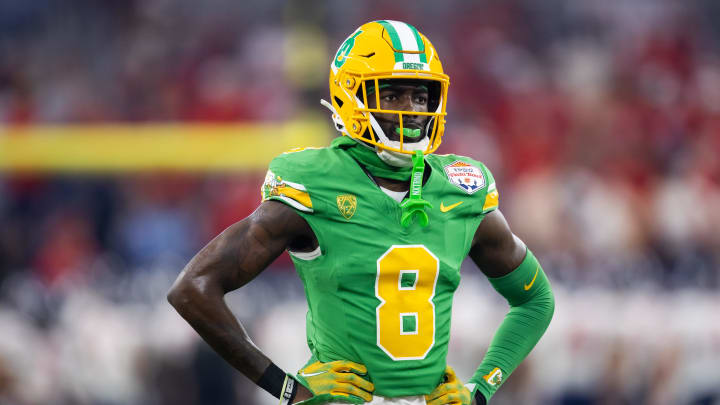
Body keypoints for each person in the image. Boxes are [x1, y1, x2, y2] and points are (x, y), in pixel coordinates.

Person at [168, 20, 554, 405]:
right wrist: (286, 389)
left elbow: (536, 300)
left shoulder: (461, 188)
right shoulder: (316, 182)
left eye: (421, 96)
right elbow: (193, 290)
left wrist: (480, 390)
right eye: (392, 95)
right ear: (349, 95)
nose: (412, 110)